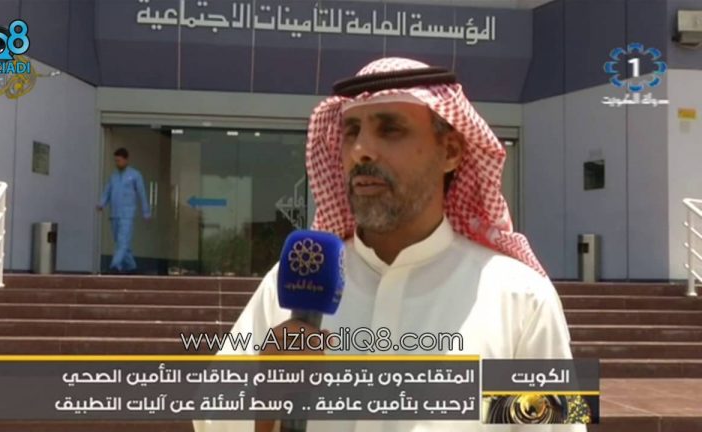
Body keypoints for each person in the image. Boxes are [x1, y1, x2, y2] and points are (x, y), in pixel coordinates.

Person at [193, 58, 584, 432]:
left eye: (390, 129)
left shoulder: (520, 301)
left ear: (450, 151)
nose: (360, 150)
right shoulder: (295, 284)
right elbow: (210, 418)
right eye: (351, 132)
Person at [97, 148, 150, 274]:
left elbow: (142, 193)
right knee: (121, 243)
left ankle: (114, 266)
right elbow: (108, 191)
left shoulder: (135, 175)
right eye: (115, 161)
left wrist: (146, 212)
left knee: (122, 242)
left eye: (119, 160)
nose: (117, 163)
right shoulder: (113, 176)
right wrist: (101, 203)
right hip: (114, 214)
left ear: (126, 160)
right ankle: (132, 267)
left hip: (127, 214)